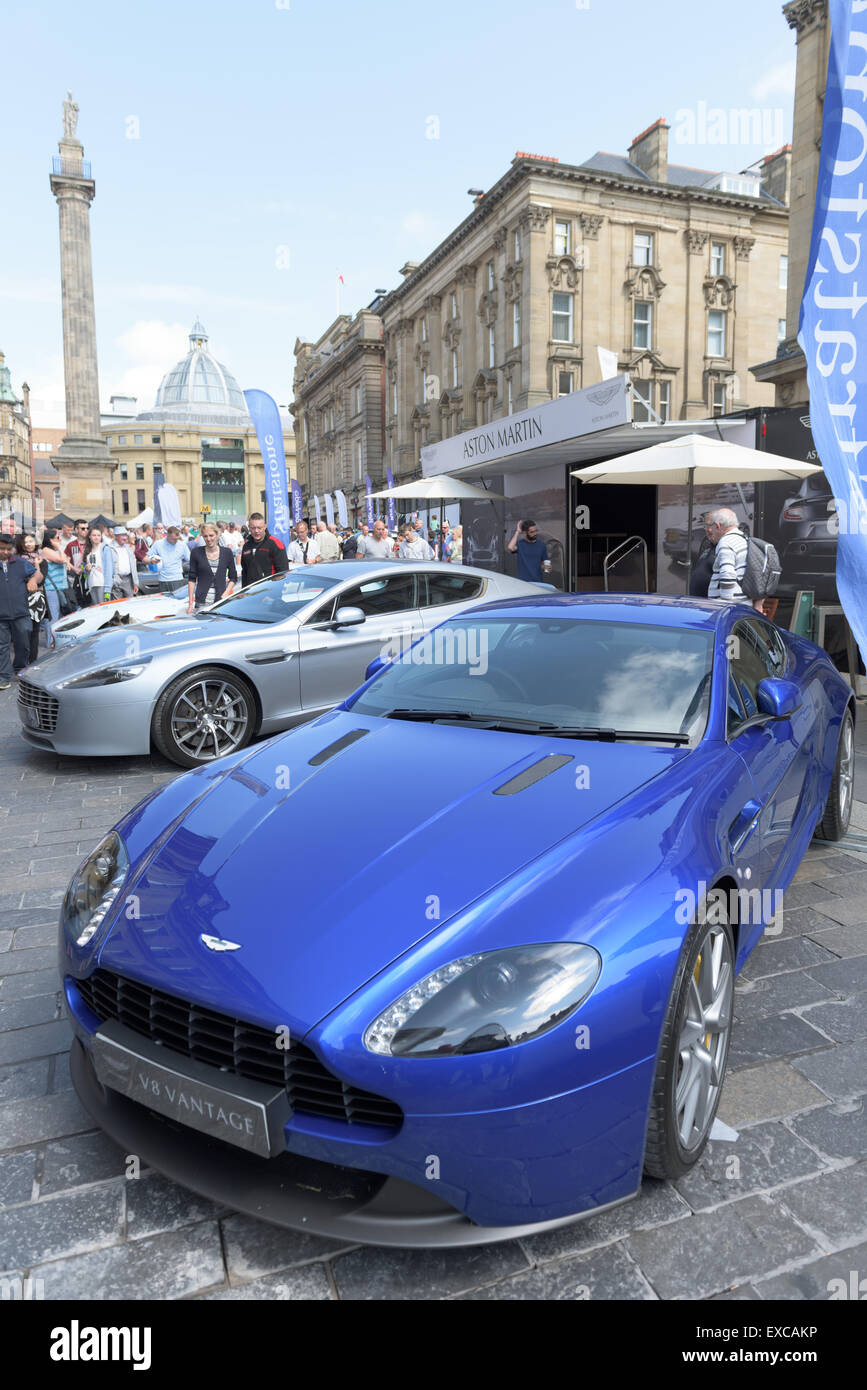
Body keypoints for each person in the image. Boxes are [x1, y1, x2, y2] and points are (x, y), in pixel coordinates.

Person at [0, 532, 39, 688]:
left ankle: (20, 669)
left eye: (8, 549)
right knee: (1, 646)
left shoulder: (21, 562)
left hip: (21, 612)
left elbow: (38, 573)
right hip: (1, 615)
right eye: (2, 548)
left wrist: (33, 580)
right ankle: (4, 676)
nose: (5, 552)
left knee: (23, 644)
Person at [705, 509, 760, 610]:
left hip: (729, 608)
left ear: (717, 526)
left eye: (711, 527)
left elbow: (728, 574)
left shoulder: (726, 542)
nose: (710, 531)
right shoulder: (743, 539)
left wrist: (724, 604)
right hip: (743, 603)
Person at [187, 522, 237, 611]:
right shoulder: (196, 553)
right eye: (205, 536)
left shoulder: (227, 552)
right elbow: (192, 579)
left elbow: (233, 577)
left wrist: (226, 593)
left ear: (217, 535)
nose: (208, 539)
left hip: (220, 603)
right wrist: (190, 603)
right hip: (201, 603)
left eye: (211, 535)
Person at [39, 528, 73, 647]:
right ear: (50, 540)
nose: (59, 540)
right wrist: (59, 548)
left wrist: (67, 561)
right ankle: (50, 642)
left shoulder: (52, 550)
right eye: (57, 538)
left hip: (59, 587)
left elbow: (65, 559)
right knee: (53, 616)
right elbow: (61, 559)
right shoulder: (46, 550)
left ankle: (55, 640)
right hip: (51, 588)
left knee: (58, 616)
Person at [15, 534, 45, 665]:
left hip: (36, 601)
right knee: (22, 632)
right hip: (20, 599)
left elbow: (41, 579)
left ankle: (33, 662)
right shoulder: (16, 559)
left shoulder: (41, 558)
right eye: (26, 542)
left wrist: (37, 565)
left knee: (34, 632)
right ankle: (21, 662)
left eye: (31, 541)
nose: (28, 544)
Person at [241, 512, 289, 585]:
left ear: (265, 526)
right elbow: (244, 572)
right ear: (249, 527)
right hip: (250, 592)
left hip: (270, 592)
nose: (256, 531)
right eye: (253, 528)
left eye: (259, 528)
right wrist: (243, 592)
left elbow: (283, 573)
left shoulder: (275, 544)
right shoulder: (246, 546)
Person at [150, 524, 190, 595]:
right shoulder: (158, 544)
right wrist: (152, 559)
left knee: (177, 602)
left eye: (177, 538)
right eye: (174, 539)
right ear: (168, 535)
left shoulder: (182, 545)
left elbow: (189, 558)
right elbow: (149, 556)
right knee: (164, 602)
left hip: (177, 579)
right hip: (163, 579)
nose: (176, 541)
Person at [508, 519, 550, 583]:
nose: (535, 533)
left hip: (538, 582)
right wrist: (517, 532)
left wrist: (546, 567)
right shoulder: (520, 544)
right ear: (525, 533)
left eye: (536, 531)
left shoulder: (542, 545)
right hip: (523, 583)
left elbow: (545, 564)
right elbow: (510, 547)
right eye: (532, 532)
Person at [82, 526, 115, 607]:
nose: (96, 537)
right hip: (92, 584)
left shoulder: (105, 549)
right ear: (89, 536)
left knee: (104, 608)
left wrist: (107, 590)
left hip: (102, 584)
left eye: (98, 535)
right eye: (94, 535)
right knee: (96, 609)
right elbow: (83, 569)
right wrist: (86, 569)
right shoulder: (87, 550)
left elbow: (109, 569)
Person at [110, 527, 139, 599]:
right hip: (116, 580)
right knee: (117, 605)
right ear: (116, 536)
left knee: (129, 604)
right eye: (122, 535)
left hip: (128, 580)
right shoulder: (109, 548)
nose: (125, 537)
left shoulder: (128, 548)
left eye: (126, 535)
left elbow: (133, 567)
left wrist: (136, 583)